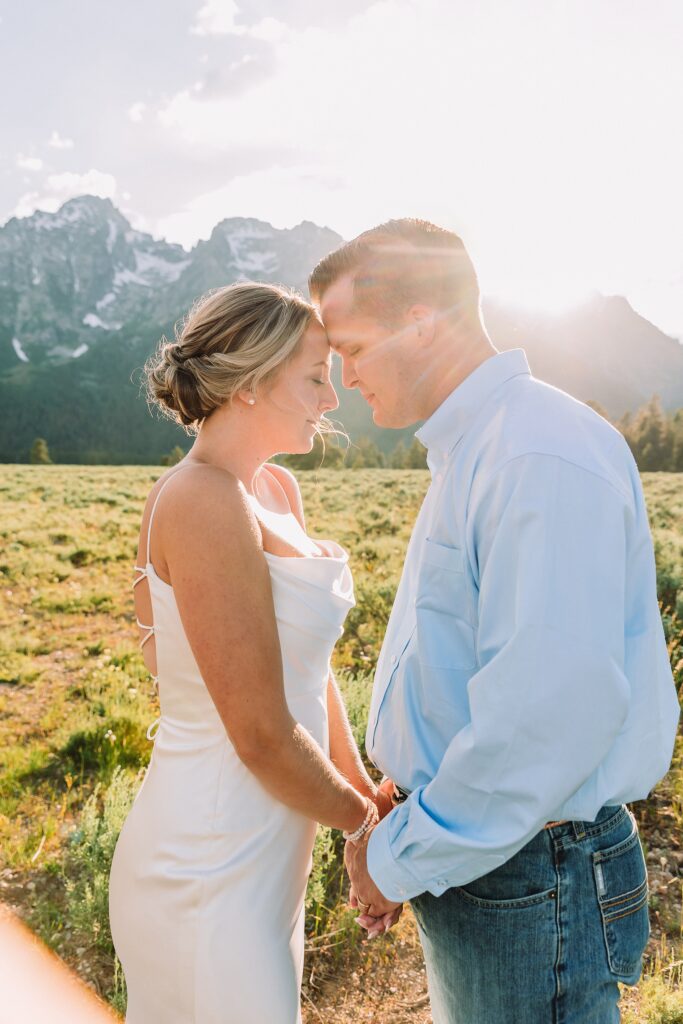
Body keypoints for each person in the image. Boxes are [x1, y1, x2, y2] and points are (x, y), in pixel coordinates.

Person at [309, 219, 681, 1023]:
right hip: (486, 853)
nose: (340, 379)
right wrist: (410, 807)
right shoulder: (478, 445)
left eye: (353, 347)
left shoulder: (532, 455)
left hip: (524, 868)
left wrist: (399, 856)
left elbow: (541, 722)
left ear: (421, 321)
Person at [108, 282, 392, 1024]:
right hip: (206, 859)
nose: (331, 400)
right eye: (314, 376)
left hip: (266, 859)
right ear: (254, 381)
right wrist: (361, 827)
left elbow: (309, 672)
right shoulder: (200, 498)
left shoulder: (275, 488)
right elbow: (260, 732)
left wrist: (364, 794)